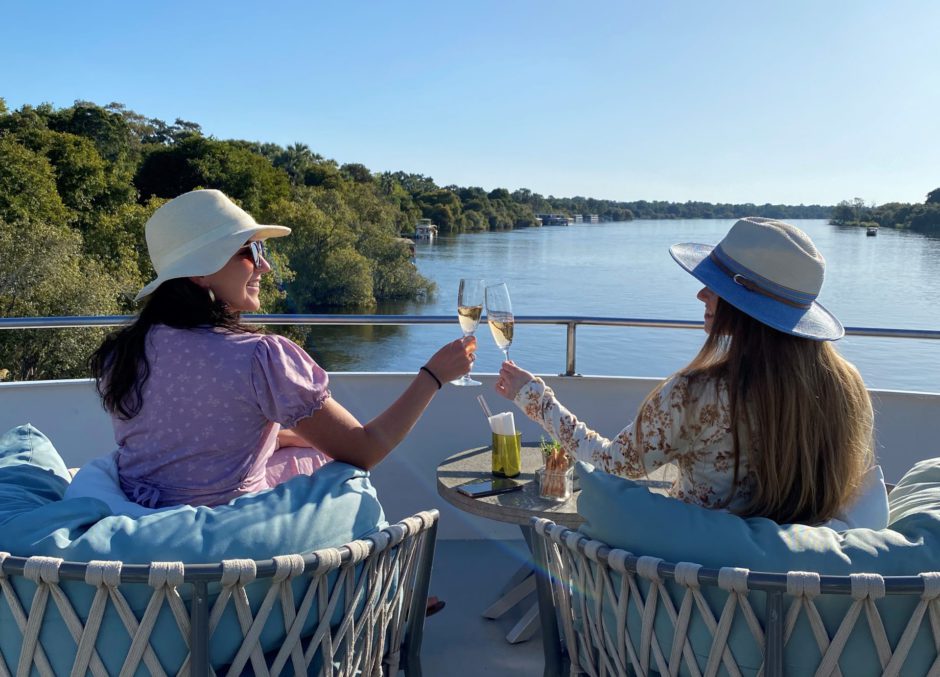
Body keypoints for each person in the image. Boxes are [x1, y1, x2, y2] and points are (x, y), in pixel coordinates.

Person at [90, 188, 475, 511]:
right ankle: (370, 585)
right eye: (252, 252)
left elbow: (197, 441)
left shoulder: (122, 352)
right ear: (200, 271)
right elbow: (364, 450)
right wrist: (433, 376)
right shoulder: (260, 357)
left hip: (144, 544)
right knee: (341, 469)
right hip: (227, 553)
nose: (266, 267)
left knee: (306, 453)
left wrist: (292, 439)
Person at [496, 217, 874, 525]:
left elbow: (613, 464)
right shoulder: (848, 387)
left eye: (715, 286)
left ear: (745, 303)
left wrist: (534, 398)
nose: (701, 294)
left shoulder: (696, 394)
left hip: (700, 591)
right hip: (793, 589)